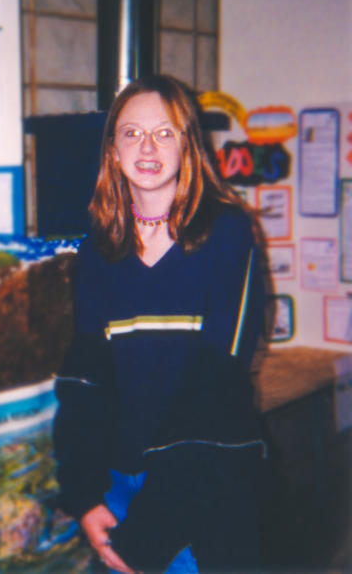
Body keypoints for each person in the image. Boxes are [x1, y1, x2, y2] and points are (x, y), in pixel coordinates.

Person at [52, 74, 268, 573]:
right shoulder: (99, 248)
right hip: (120, 489)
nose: (147, 147)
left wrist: (151, 532)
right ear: (112, 150)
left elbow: (220, 379)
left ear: (188, 144)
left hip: (205, 486)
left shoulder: (228, 233)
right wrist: (84, 492)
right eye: (131, 133)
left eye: (165, 132)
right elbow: (84, 379)